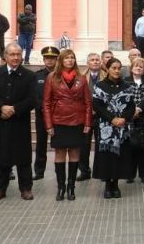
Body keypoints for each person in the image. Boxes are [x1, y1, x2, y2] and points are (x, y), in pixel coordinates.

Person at [0, 42, 36, 201]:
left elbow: (32, 99)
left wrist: (14, 109)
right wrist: (1, 107)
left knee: (23, 156)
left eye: (18, 54)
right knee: (1, 154)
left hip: (20, 121)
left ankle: (25, 188)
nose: (15, 57)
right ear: (5, 56)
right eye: (12, 54)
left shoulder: (29, 76)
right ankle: (0, 189)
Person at [43, 48, 93, 201]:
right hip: (59, 120)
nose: (70, 60)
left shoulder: (81, 78)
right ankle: (61, 187)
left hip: (77, 121)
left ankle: (71, 187)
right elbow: (46, 103)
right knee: (59, 153)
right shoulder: (52, 77)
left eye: (72, 57)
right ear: (61, 60)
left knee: (74, 153)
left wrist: (87, 122)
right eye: (66, 58)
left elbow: (88, 103)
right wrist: (49, 125)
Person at [92, 58, 135, 199]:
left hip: (122, 128)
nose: (117, 71)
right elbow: (97, 106)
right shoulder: (99, 86)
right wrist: (112, 119)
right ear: (107, 69)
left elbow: (131, 106)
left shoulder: (127, 86)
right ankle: (107, 185)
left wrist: (124, 119)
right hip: (106, 127)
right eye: (114, 68)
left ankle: (115, 185)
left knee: (119, 156)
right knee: (107, 157)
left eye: (119, 68)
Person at [125, 58, 144, 184]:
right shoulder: (125, 81)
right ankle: (130, 174)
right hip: (129, 118)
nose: (138, 68)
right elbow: (124, 98)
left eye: (141, 66)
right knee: (130, 146)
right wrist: (132, 111)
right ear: (131, 68)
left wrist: (139, 109)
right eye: (136, 66)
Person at [33, 47, 60, 181]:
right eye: (47, 58)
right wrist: (44, 108)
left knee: (60, 144)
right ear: (43, 60)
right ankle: (39, 171)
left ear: (57, 60)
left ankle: (59, 171)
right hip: (42, 115)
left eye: (52, 58)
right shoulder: (37, 76)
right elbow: (34, 95)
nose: (49, 60)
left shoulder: (61, 75)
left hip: (58, 115)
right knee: (41, 144)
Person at [77, 52, 103, 180]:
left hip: (101, 116)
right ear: (87, 63)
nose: (95, 62)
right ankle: (84, 171)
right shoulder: (80, 77)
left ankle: (101, 171)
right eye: (92, 60)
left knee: (101, 145)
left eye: (97, 60)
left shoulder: (107, 76)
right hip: (85, 116)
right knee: (84, 145)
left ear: (101, 62)